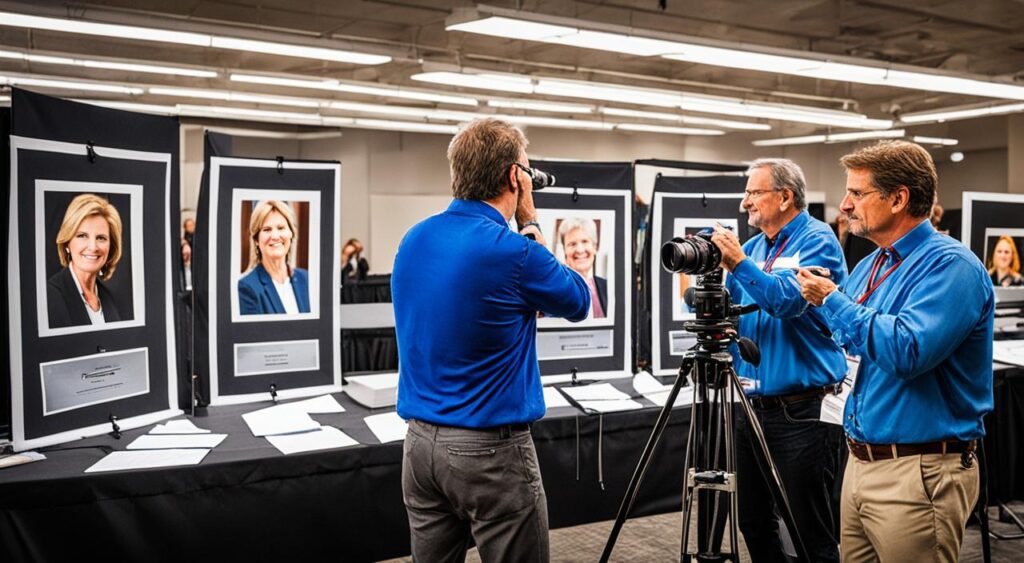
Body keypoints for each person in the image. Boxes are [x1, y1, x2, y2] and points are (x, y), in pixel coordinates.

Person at [392, 117, 590, 562]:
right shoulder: (514, 252)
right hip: (490, 454)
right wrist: (532, 221)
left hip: (419, 447)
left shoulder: (414, 239)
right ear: (513, 177)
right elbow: (578, 299)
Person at [796, 140, 993, 562]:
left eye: (857, 193)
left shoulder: (951, 266)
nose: (845, 205)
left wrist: (832, 300)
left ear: (899, 198)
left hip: (919, 471)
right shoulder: (873, 264)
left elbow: (906, 351)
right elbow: (849, 339)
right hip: (861, 461)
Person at [709, 158, 847, 563]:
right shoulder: (754, 248)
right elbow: (728, 305)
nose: (745, 202)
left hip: (801, 412)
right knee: (752, 520)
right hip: (751, 408)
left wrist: (737, 264)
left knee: (809, 531)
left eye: (753, 192)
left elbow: (786, 301)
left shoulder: (817, 240)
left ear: (785, 196)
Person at [47, 193, 125, 328]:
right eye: (82, 236)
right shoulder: (49, 297)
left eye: (101, 238)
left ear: (111, 247)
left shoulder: (109, 298)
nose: (93, 247)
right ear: (67, 244)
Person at [237, 200, 310, 315]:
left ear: (291, 233)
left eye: (281, 228)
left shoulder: (307, 279)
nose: (275, 236)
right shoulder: (247, 287)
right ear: (256, 240)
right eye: (267, 230)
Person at [558, 217, 607, 318]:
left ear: (594, 247)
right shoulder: (557, 288)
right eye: (572, 244)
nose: (580, 250)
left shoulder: (607, 286)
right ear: (564, 251)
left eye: (585, 241)